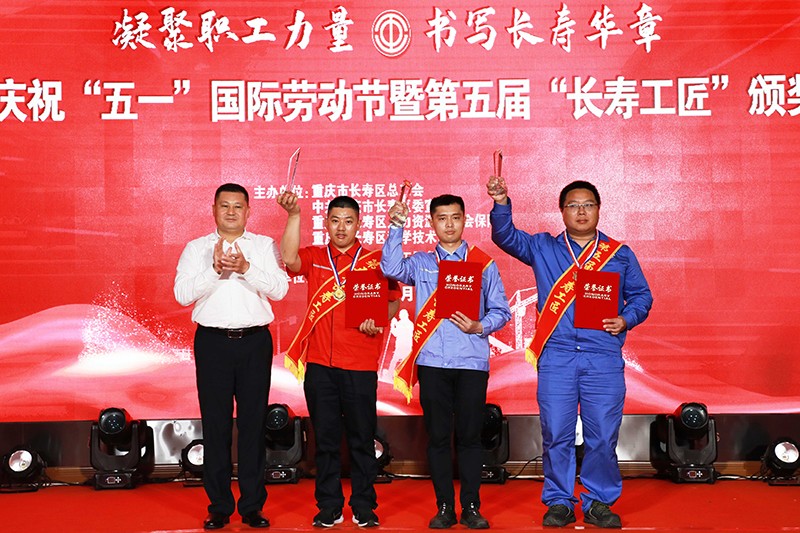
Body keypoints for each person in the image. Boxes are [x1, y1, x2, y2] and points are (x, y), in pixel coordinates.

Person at [487, 177, 653, 529]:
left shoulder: (619, 254)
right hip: (557, 356)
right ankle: (559, 501)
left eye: (588, 205)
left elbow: (642, 296)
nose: (581, 211)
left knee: (602, 434)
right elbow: (505, 236)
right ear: (562, 211)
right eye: (573, 205)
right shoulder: (543, 247)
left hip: (602, 356)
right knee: (556, 433)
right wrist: (501, 202)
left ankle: (598, 502)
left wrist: (626, 318)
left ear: (599, 209)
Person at [381, 194, 511, 530]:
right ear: (431, 223)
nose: (449, 224)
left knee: (469, 437)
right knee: (438, 438)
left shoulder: (483, 264)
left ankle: (471, 506)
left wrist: (479, 326)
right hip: (433, 363)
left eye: (455, 217)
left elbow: (501, 310)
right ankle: (443, 507)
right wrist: (396, 225)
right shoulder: (422, 262)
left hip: (470, 363)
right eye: (442, 218)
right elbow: (390, 269)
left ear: (465, 219)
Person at [276, 192, 400, 529]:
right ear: (326, 224)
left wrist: (379, 320)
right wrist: (294, 216)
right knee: (326, 442)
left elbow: (393, 302)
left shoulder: (375, 260)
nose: (341, 227)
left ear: (359, 224)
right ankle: (329, 506)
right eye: (335, 221)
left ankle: (364, 506)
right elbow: (289, 259)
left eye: (348, 221)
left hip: (360, 365)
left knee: (362, 440)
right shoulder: (316, 257)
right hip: (320, 365)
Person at [174, 183, 289, 530]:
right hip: (212, 344)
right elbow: (182, 294)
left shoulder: (263, 246)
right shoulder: (196, 248)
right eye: (224, 206)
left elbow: (280, 289)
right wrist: (213, 269)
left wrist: (246, 267)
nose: (231, 212)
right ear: (213, 209)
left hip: (255, 342)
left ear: (248, 211)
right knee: (216, 426)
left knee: (254, 425)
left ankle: (252, 506)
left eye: (238, 207)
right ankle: (220, 506)